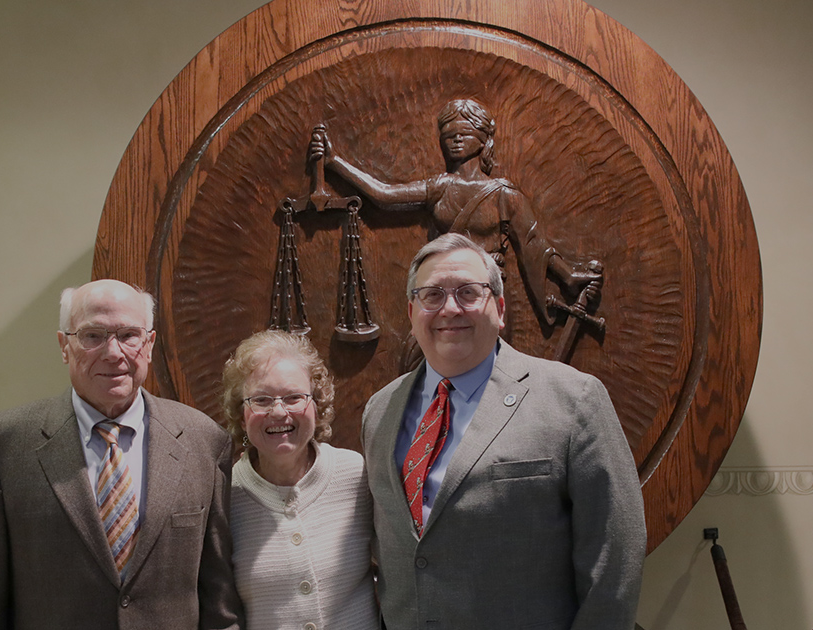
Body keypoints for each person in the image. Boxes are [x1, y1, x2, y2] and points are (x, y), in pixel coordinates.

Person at [362, 233, 646, 630]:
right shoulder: (380, 410)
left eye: (467, 293)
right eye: (432, 295)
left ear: (499, 308)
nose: (449, 308)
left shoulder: (574, 400)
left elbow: (615, 559)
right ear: (412, 312)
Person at [0, 279, 243, 630]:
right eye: (93, 336)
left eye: (128, 335)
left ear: (149, 345)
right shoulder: (1, 446)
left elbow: (218, 596)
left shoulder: (205, 441)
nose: (113, 352)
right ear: (64, 346)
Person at [309, 98, 600, 326]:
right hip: (438, 297)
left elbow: (535, 245)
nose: (456, 140)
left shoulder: (504, 194)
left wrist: (568, 276)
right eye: (449, 135)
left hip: (482, 298)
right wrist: (335, 163)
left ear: (483, 140)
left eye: (465, 133)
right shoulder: (440, 187)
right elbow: (384, 195)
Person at [221, 330, 379, 630]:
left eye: (294, 397)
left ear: (316, 405)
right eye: (261, 400)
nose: (279, 412)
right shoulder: (226, 497)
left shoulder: (355, 474)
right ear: (242, 416)